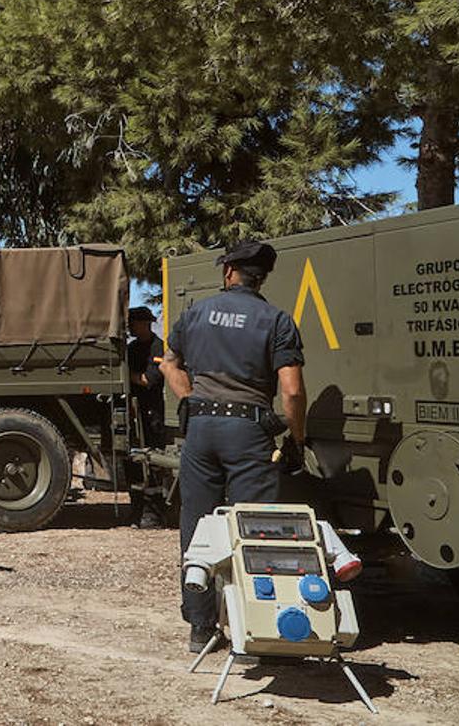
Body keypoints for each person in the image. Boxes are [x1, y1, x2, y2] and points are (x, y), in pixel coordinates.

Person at [159, 240, 306, 652]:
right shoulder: (277, 320)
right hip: (248, 432)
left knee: (198, 526)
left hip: (201, 430)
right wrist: (295, 438)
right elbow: (292, 391)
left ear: (228, 272)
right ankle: (254, 631)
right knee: (254, 530)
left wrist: (190, 399)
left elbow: (169, 363)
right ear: (262, 278)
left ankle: (201, 626)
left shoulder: (196, 313)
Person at [125, 306, 166, 529]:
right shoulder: (132, 348)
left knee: (153, 463)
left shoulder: (157, 347)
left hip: (151, 413)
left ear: (145, 323)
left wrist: (125, 375)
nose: (130, 327)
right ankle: (137, 510)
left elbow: (149, 380)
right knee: (133, 464)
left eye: (133, 322)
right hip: (135, 412)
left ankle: (154, 514)